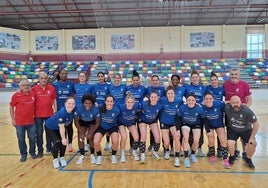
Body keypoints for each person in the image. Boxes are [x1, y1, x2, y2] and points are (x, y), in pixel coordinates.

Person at [223, 68, 252, 160]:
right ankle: (235, 151)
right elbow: (224, 99)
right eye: (232, 74)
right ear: (229, 75)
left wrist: (245, 110)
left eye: (236, 74)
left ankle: (244, 152)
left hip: (242, 114)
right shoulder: (225, 84)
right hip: (230, 114)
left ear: (239, 75)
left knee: (244, 134)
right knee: (232, 133)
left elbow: (249, 100)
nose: (234, 76)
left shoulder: (244, 84)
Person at [224, 95, 259, 170]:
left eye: (237, 102)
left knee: (253, 144)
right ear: (230, 103)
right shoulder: (227, 107)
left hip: (246, 130)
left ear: (241, 102)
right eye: (233, 103)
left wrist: (252, 138)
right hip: (233, 130)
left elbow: (256, 124)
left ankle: (248, 159)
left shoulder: (247, 111)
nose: (235, 104)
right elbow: (219, 104)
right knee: (230, 143)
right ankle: (232, 157)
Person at [9, 79, 37, 162]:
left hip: (31, 122)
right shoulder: (16, 95)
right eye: (24, 85)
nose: (26, 86)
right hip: (19, 123)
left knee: (32, 138)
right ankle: (23, 154)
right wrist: (13, 119)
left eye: (27, 85)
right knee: (21, 139)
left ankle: (32, 152)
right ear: (20, 86)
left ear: (30, 86)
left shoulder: (33, 94)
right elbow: (11, 107)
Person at [45, 97, 76, 169]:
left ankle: (62, 157)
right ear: (65, 104)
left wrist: (95, 104)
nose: (71, 105)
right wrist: (63, 138)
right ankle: (55, 159)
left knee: (63, 143)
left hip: (61, 127)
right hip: (51, 127)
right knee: (57, 142)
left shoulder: (74, 109)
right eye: (69, 103)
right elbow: (61, 127)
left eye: (73, 103)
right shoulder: (62, 113)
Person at [202, 92, 230, 168]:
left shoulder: (218, 104)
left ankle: (225, 158)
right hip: (209, 125)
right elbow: (204, 119)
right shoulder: (202, 107)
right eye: (206, 99)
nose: (208, 100)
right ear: (204, 99)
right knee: (211, 139)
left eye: (210, 98)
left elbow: (227, 102)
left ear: (213, 99)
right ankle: (212, 155)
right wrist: (208, 131)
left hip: (219, 125)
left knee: (223, 140)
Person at [176, 93, 205, 168]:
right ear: (186, 100)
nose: (191, 101)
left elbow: (203, 119)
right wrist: (178, 129)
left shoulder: (199, 108)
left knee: (196, 141)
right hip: (185, 123)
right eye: (189, 100)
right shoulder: (182, 107)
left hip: (196, 124)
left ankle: (192, 153)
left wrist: (204, 129)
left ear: (195, 101)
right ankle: (186, 157)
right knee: (186, 138)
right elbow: (177, 118)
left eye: (192, 100)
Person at [32, 72, 57, 156]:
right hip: (38, 115)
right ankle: (40, 150)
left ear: (47, 79)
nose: (43, 80)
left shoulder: (52, 88)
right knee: (39, 133)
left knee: (49, 132)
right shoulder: (34, 88)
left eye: (45, 78)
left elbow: (54, 100)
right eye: (42, 78)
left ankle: (49, 148)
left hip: (49, 114)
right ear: (39, 79)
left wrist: (55, 111)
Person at [93, 95, 120, 165]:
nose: (109, 103)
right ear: (105, 102)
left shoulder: (116, 110)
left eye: (111, 101)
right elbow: (94, 106)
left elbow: (119, 120)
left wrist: (119, 130)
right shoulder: (100, 108)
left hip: (113, 127)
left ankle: (113, 155)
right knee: (95, 142)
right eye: (107, 101)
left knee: (116, 141)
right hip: (102, 127)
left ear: (113, 102)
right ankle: (99, 156)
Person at [184, 70, 206, 157]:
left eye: (196, 77)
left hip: (199, 113)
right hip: (189, 112)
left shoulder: (203, 88)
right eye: (193, 77)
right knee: (189, 132)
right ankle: (189, 148)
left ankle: (199, 148)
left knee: (200, 132)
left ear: (199, 78)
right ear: (191, 79)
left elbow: (208, 97)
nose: (195, 79)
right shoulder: (187, 87)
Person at [160, 86, 183, 167]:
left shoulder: (179, 101)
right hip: (164, 122)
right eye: (168, 93)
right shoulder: (162, 100)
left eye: (172, 93)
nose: (170, 95)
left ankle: (177, 158)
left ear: (174, 94)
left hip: (174, 123)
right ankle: (166, 150)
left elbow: (185, 105)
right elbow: (153, 100)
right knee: (166, 142)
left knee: (177, 137)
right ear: (166, 94)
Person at [74, 94, 100, 165]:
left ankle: (92, 154)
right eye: (86, 103)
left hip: (92, 122)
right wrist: (81, 133)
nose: (87, 105)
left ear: (93, 103)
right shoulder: (79, 108)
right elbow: (76, 122)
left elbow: (97, 123)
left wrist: (91, 133)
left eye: (90, 103)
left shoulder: (95, 109)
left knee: (91, 137)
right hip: (82, 121)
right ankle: (82, 155)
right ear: (83, 103)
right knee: (80, 138)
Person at [53, 69, 75, 152]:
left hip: (69, 110)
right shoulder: (55, 85)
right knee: (61, 127)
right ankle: (62, 142)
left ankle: (70, 143)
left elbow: (73, 96)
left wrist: (72, 106)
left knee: (69, 127)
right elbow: (53, 98)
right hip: (59, 110)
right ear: (59, 74)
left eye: (65, 74)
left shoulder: (71, 84)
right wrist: (55, 108)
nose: (64, 75)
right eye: (62, 74)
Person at [138, 91, 162, 163]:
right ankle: (142, 154)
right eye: (152, 97)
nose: (153, 98)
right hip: (143, 120)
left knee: (157, 138)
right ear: (149, 98)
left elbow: (159, 114)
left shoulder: (160, 106)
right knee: (143, 136)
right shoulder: (144, 104)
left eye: (155, 97)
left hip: (152, 121)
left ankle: (155, 153)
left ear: (157, 98)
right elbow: (137, 109)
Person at [126, 70, 147, 152]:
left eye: (137, 80)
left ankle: (138, 145)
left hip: (140, 112)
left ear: (139, 80)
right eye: (134, 80)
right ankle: (132, 146)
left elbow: (147, 95)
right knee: (132, 130)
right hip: (131, 112)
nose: (135, 81)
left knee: (140, 129)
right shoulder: (128, 88)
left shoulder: (142, 88)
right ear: (132, 80)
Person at [206, 71, 225, 157]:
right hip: (209, 113)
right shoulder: (208, 88)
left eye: (215, 80)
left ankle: (220, 149)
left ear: (218, 80)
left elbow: (227, 99)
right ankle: (211, 150)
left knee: (220, 134)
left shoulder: (222, 89)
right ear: (210, 81)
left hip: (218, 113)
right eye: (212, 80)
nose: (213, 81)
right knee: (210, 135)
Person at [118, 91, 140, 162]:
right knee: (124, 137)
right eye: (128, 102)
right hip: (122, 123)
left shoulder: (137, 105)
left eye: (132, 102)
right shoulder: (121, 107)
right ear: (125, 102)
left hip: (131, 123)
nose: (130, 104)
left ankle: (133, 151)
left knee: (136, 137)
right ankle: (122, 153)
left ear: (134, 102)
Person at [91, 71, 111, 151]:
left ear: (104, 77)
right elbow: (93, 96)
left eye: (101, 76)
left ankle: (108, 142)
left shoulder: (108, 86)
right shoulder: (94, 86)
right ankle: (91, 143)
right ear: (97, 77)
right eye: (99, 76)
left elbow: (110, 96)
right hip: (96, 109)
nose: (100, 77)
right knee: (95, 125)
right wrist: (94, 103)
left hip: (105, 109)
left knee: (107, 125)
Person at [146, 75, 165, 152]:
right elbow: (146, 97)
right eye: (153, 80)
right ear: (151, 81)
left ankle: (164, 146)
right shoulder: (148, 89)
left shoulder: (162, 89)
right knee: (152, 128)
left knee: (163, 129)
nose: (155, 81)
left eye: (156, 80)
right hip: (152, 111)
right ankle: (152, 144)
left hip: (161, 111)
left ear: (158, 80)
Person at [74, 72, 92, 151]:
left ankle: (88, 144)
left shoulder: (89, 86)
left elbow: (91, 97)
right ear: (78, 77)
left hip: (87, 110)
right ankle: (81, 145)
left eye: (83, 76)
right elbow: (73, 96)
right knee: (80, 129)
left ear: (85, 78)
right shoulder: (75, 86)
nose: (82, 77)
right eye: (80, 76)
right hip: (78, 110)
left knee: (88, 128)